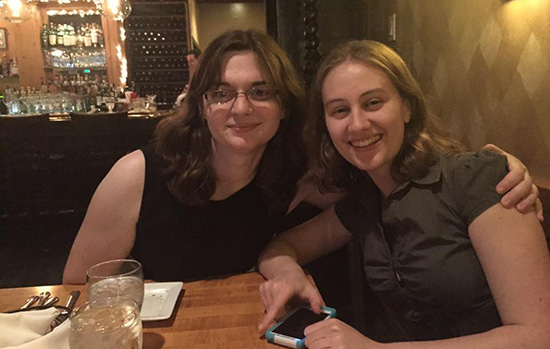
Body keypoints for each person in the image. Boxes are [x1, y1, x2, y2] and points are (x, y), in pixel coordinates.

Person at [63, 30, 538, 284]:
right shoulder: (137, 175)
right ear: (201, 105)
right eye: (222, 93)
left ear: (285, 105)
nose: (241, 108)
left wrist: (504, 171)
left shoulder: (297, 173)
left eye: (261, 91)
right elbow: (78, 288)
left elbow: (385, 172)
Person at [257, 40, 550, 348]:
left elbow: (538, 335)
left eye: (373, 103)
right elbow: (280, 248)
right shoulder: (364, 201)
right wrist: (289, 274)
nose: (357, 124)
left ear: (407, 107)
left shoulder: (477, 178)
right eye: (340, 110)